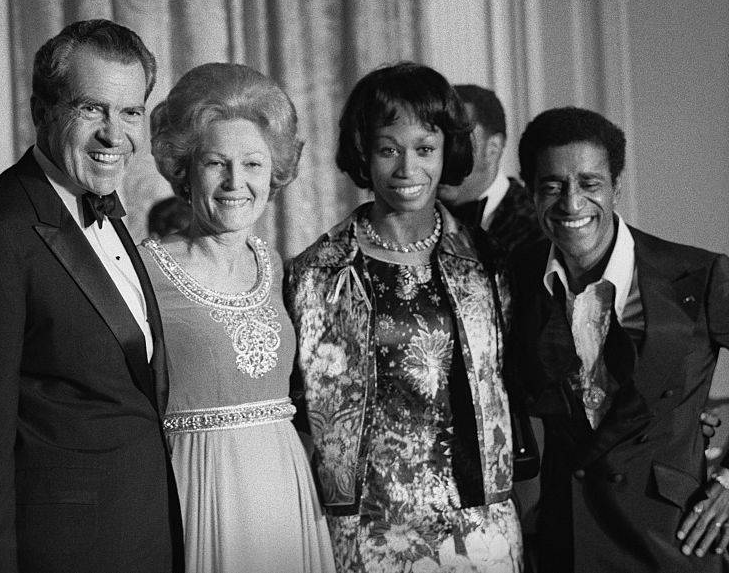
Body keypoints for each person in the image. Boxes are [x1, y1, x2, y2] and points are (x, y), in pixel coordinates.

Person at [0, 19, 181, 573]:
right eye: (92, 109)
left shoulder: (104, 206)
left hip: (138, 538)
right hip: (61, 552)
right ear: (43, 111)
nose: (115, 135)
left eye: (130, 112)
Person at [286, 62, 524, 571]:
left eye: (425, 149)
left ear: (447, 153)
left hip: (476, 522)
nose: (406, 169)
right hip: (364, 527)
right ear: (364, 155)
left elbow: (515, 379)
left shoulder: (485, 262)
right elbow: (299, 408)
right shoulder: (316, 273)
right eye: (388, 149)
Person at [511, 106, 729, 573]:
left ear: (616, 186)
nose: (572, 204)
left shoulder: (696, 274)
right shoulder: (515, 277)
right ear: (530, 192)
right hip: (565, 543)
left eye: (590, 184)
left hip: (673, 541)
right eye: (553, 186)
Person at [140, 63, 335, 573]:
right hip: (197, 490)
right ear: (183, 170)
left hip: (283, 487)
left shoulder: (273, 265)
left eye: (252, 164)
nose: (235, 182)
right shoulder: (144, 270)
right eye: (215, 164)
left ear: (274, 173)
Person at [438, 84, 544, 259]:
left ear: (493, 148)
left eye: (457, 142)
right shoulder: (417, 215)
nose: (442, 155)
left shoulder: (538, 223)